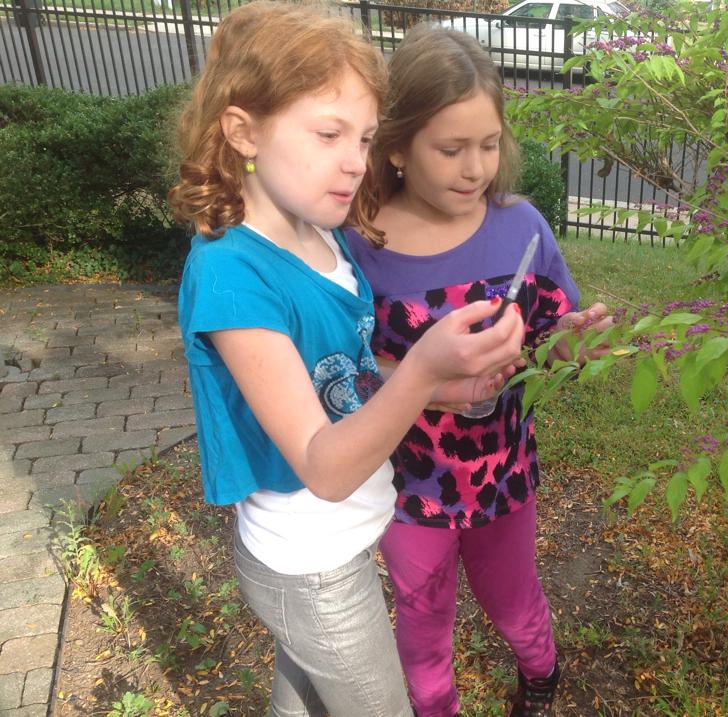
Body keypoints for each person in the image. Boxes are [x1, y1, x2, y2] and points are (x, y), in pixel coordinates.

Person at [168, 5, 524, 716]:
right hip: (312, 567)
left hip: (343, 547)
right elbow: (323, 466)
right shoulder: (234, 276)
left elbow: (344, 378)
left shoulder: (318, 236)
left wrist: (443, 389)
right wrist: (423, 369)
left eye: (363, 138)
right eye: (328, 134)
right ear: (243, 131)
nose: (356, 161)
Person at [345, 23, 612, 717]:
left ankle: (541, 675)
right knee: (421, 616)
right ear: (396, 146)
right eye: (451, 149)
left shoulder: (521, 228)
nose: (475, 168)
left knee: (514, 599)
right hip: (406, 487)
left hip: (503, 476)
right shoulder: (361, 244)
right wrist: (429, 383)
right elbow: (344, 372)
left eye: (489, 145)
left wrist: (572, 345)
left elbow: (550, 339)